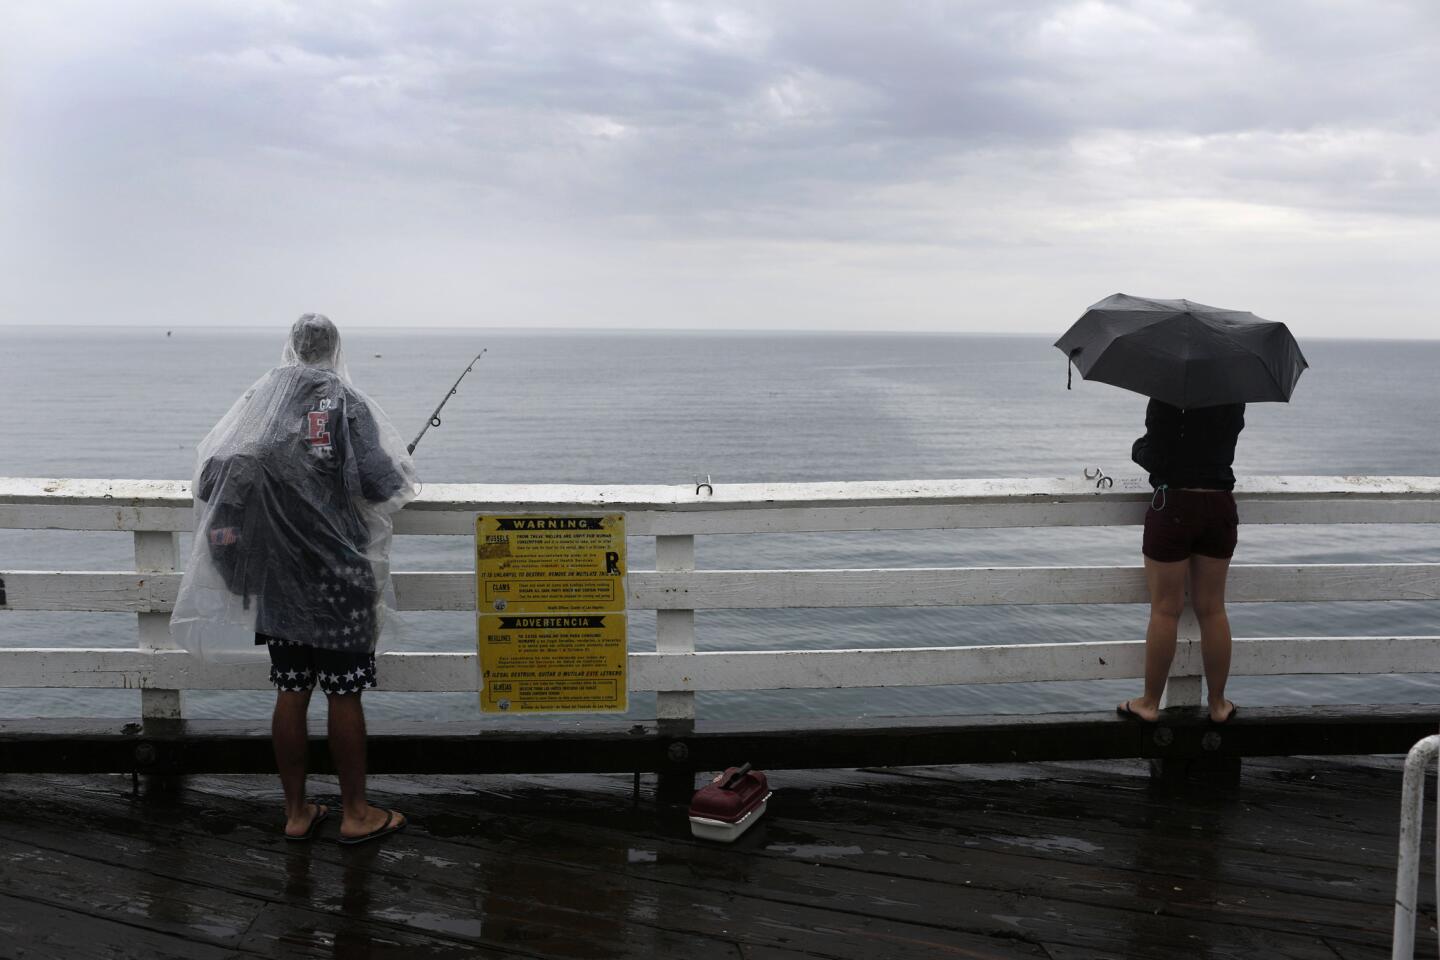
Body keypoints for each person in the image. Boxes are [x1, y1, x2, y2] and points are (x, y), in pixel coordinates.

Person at [172, 314, 419, 843]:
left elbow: (212, 472)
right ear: (333, 349)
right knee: (344, 693)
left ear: (290, 346)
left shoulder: (259, 401)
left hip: (276, 575)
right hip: (338, 577)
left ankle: (296, 812)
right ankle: (356, 813)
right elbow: (381, 485)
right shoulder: (344, 401)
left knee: (290, 689)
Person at [1117, 398, 1245, 725]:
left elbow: (1156, 455)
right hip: (1219, 505)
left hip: (1174, 503)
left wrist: (1137, 449)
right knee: (1213, 609)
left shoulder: (1168, 392)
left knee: (1165, 609)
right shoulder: (1232, 391)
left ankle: (1149, 703)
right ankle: (1218, 705)